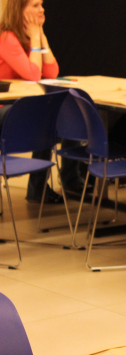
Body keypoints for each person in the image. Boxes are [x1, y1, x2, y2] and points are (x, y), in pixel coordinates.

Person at [0, 0, 62, 203]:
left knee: (50, 115)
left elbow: (52, 72)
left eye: (42, 4)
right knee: (43, 115)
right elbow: (34, 74)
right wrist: (36, 37)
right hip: (4, 110)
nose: (42, 9)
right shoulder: (6, 37)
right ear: (19, 10)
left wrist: (41, 37)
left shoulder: (27, 38)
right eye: (35, 5)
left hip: (18, 107)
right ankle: (38, 187)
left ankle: (38, 189)